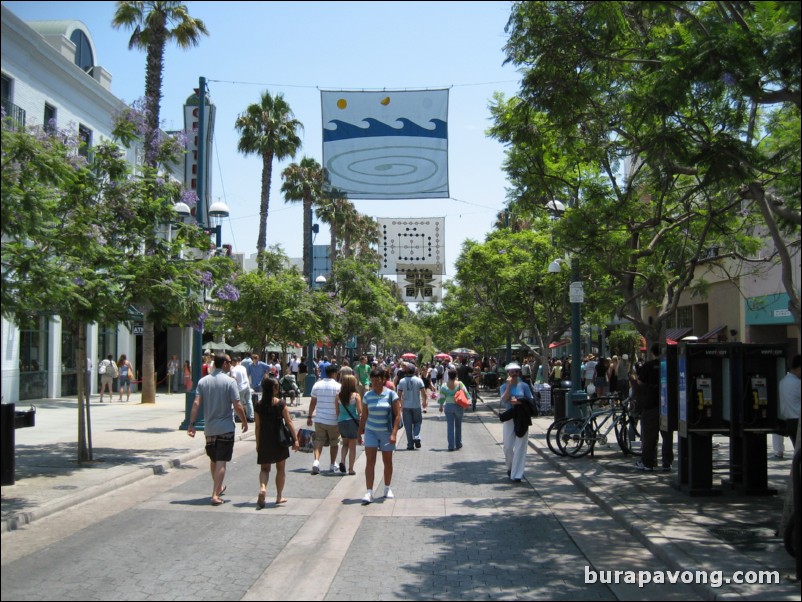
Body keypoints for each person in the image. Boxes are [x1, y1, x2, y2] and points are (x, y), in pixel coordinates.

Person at [188, 353, 248, 506]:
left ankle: (218, 487)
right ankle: (215, 494)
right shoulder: (230, 382)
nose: (231, 364)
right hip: (226, 428)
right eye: (229, 362)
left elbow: (196, 404)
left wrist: (191, 423)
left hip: (210, 429)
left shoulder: (203, 381)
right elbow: (237, 405)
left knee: (214, 459)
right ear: (225, 364)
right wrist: (244, 420)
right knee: (221, 461)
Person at [254, 374, 298, 508]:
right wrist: (295, 439)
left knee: (265, 469)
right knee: (280, 469)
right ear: (273, 389)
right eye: (277, 387)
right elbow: (289, 422)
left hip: (265, 438)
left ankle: (263, 488)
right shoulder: (280, 404)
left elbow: (257, 426)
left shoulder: (258, 405)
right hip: (279, 439)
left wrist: (258, 443)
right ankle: (279, 496)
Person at [358, 368, 401, 503]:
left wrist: (394, 433)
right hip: (371, 431)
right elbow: (364, 416)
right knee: (370, 462)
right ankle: (369, 492)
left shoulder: (391, 395)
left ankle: (387, 488)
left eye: (378, 380)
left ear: (383, 380)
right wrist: (359, 433)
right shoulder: (367, 396)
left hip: (386, 433)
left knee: (387, 461)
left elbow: (398, 415)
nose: (375, 383)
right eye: (373, 381)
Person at [499, 362, 536, 482]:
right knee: (508, 447)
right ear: (508, 373)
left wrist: (520, 402)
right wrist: (509, 386)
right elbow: (504, 400)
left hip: (522, 417)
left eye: (516, 371)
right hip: (510, 417)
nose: (514, 373)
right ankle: (510, 467)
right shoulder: (504, 386)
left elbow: (530, 400)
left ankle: (517, 474)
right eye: (511, 371)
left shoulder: (524, 386)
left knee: (521, 446)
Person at [307, 363, 342, 475]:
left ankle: (316, 461)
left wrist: (309, 416)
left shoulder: (317, 385)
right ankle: (332, 464)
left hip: (320, 419)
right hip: (333, 419)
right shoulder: (338, 386)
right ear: (335, 373)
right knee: (334, 442)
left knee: (319, 441)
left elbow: (313, 402)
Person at [634, 343, 661, 471]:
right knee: (667, 436)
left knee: (650, 435)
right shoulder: (669, 365)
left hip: (650, 404)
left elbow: (640, 382)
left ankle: (648, 462)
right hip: (667, 404)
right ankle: (667, 462)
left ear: (652, 352)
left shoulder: (648, 366)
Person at [396, 363, 428, 450]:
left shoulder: (402, 381)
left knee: (408, 426)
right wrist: (424, 402)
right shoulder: (419, 380)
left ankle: (410, 444)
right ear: (414, 371)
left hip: (406, 406)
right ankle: (416, 437)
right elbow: (423, 392)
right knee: (418, 422)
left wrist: (399, 404)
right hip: (416, 405)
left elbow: (399, 394)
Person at [337, 374, 363, 475]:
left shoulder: (338, 396)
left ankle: (342, 460)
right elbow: (360, 411)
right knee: (352, 446)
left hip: (341, 422)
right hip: (352, 422)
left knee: (345, 444)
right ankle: (351, 469)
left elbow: (337, 411)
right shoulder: (356, 396)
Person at [438, 367, 469, 451]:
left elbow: (441, 397)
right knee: (458, 426)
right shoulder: (460, 384)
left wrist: (441, 406)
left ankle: (451, 445)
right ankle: (458, 443)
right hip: (458, 406)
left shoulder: (444, 385)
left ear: (448, 375)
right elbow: (466, 394)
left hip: (448, 406)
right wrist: (467, 403)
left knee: (450, 426)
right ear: (456, 375)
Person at [778, 354, 801, 452]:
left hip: (789, 421)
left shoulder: (783, 381)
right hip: (799, 421)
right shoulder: (798, 383)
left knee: (797, 451)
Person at [230, 356, 254, 422]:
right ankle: (251, 416)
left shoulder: (234, 369)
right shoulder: (243, 368)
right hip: (247, 386)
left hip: (240, 387)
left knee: (238, 402)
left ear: (234, 362)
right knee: (249, 401)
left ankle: (238, 416)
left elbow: (234, 379)